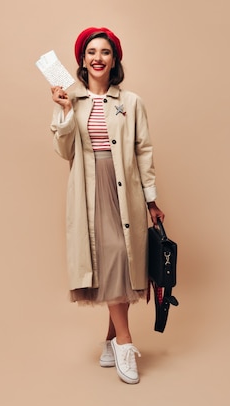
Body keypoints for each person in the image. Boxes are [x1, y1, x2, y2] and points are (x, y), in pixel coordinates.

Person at [49, 27, 165, 385]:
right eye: (91, 52)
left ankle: (112, 339)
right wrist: (65, 113)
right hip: (89, 190)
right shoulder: (71, 100)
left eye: (105, 52)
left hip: (124, 190)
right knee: (113, 255)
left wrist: (151, 200)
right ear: (82, 61)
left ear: (115, 60)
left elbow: (143, 151)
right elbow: (64, 151)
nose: (98, 58)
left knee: (124, 259)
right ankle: (125, 344)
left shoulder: (131, 102)